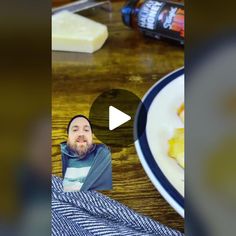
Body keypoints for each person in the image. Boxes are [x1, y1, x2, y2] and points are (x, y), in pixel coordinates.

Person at [61, 115, 112, 191]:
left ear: (92, 135)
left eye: (86, 130)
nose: (81, 134)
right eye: (75, 130)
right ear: (68, 135)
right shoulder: (57, 157)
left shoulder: (106, 156)